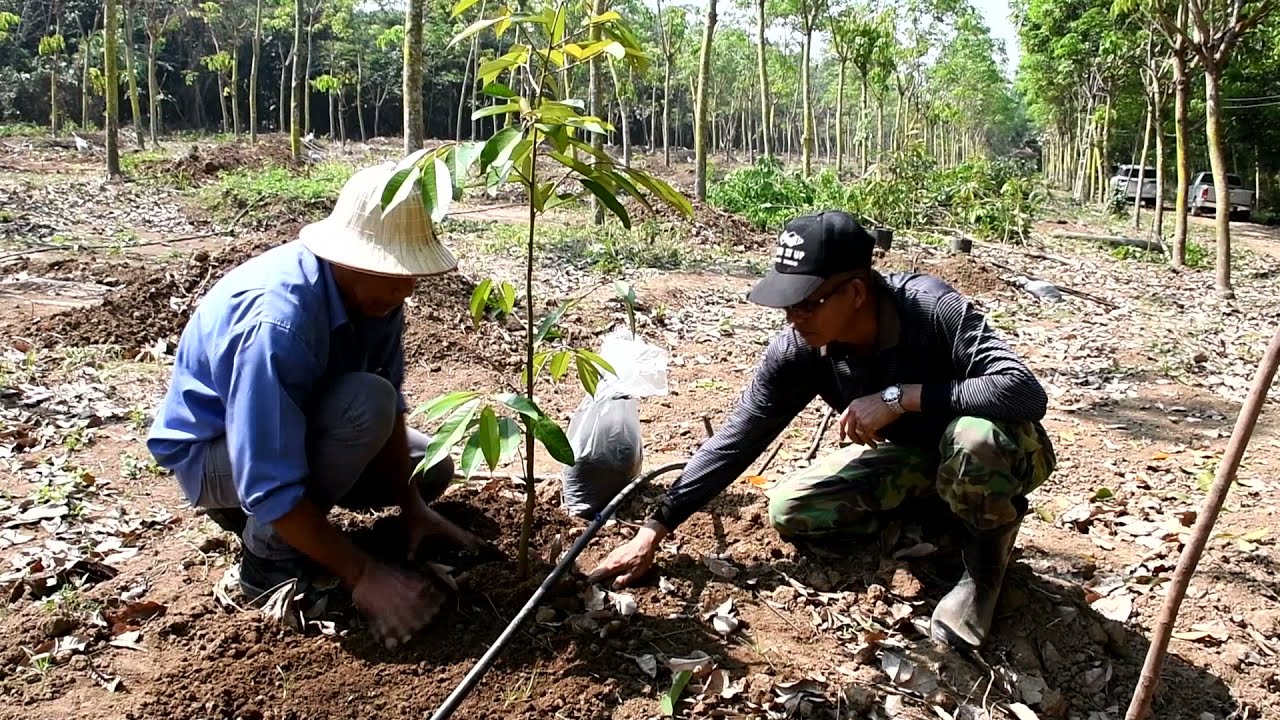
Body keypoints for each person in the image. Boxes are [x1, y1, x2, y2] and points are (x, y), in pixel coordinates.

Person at [588, 210, 1056, 650]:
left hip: (1004, 452)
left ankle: (984, 572)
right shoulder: (801, 349)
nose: (794, 318)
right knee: (793, 508)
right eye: (787, 306)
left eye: (807, 304)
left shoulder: (931, 310)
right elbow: (739, 435)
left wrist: (900, 397)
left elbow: (1023, 392)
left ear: (855, 292)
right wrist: (654, 530)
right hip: (919, 457)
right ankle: (945, 514)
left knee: (972, 439)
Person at [148, 162, 483, 649]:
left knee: (426, 466)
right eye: (395, 274)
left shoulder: (376, 297)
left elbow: (390, 403)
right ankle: (267, 561)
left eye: (410, 274)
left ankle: (282, 522)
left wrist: (412, 507)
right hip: (215, 455)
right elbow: (265, 472)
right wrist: (363, 573)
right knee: (363, 406)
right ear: (350, 259)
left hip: (291, 427)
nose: (406, 289)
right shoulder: (276, 324)